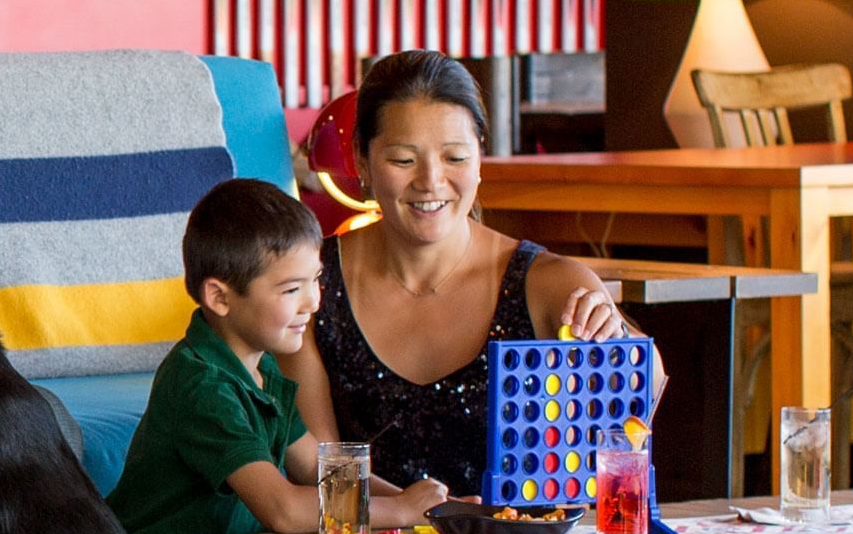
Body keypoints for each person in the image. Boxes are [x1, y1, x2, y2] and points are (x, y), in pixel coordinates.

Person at [278, 50, 662, 498]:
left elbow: (635, 408)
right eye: (403, 160)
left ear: (480, 158)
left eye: (455, 158)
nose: (431, 181)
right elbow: (316, 465)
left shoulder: (545, 283)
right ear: (362, 161)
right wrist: (421, 513)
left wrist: (614, 338)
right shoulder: (312, 285)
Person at [105, 179, 450, 534]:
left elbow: (317, 469)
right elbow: (282, 509)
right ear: (219, 298)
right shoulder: (202, 384)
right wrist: (400, 510)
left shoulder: (261, 367)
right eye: (290, 289)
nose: (313, 303)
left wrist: (432, 508)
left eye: (315, 280)